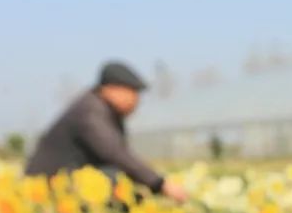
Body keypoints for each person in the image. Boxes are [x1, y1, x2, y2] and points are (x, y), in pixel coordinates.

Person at [25, 61, 187, 202]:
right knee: (117, 179)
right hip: (48, 188)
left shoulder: (106, 112)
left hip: (68, 182)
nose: (136, 101)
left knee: (129, 182)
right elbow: (116, 154)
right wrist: (160, 184)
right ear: (111, 89)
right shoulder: (90, 112)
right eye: (132, 93)